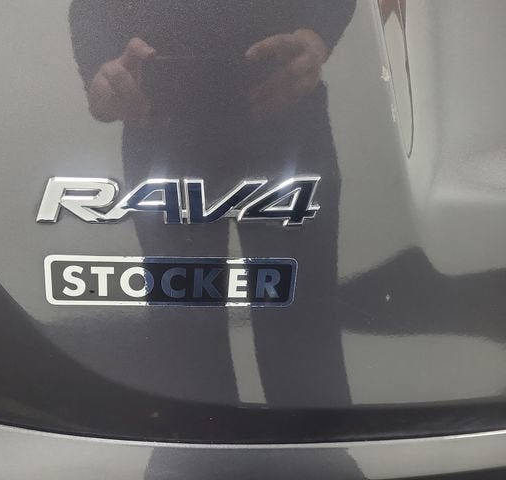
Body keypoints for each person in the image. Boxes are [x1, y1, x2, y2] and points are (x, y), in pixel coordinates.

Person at [69, 0, 356, 414]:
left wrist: (317, 33)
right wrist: (98, 70)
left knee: (298, 340)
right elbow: (90, 10)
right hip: (171, 120)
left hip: (275, 107)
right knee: (189, 347)